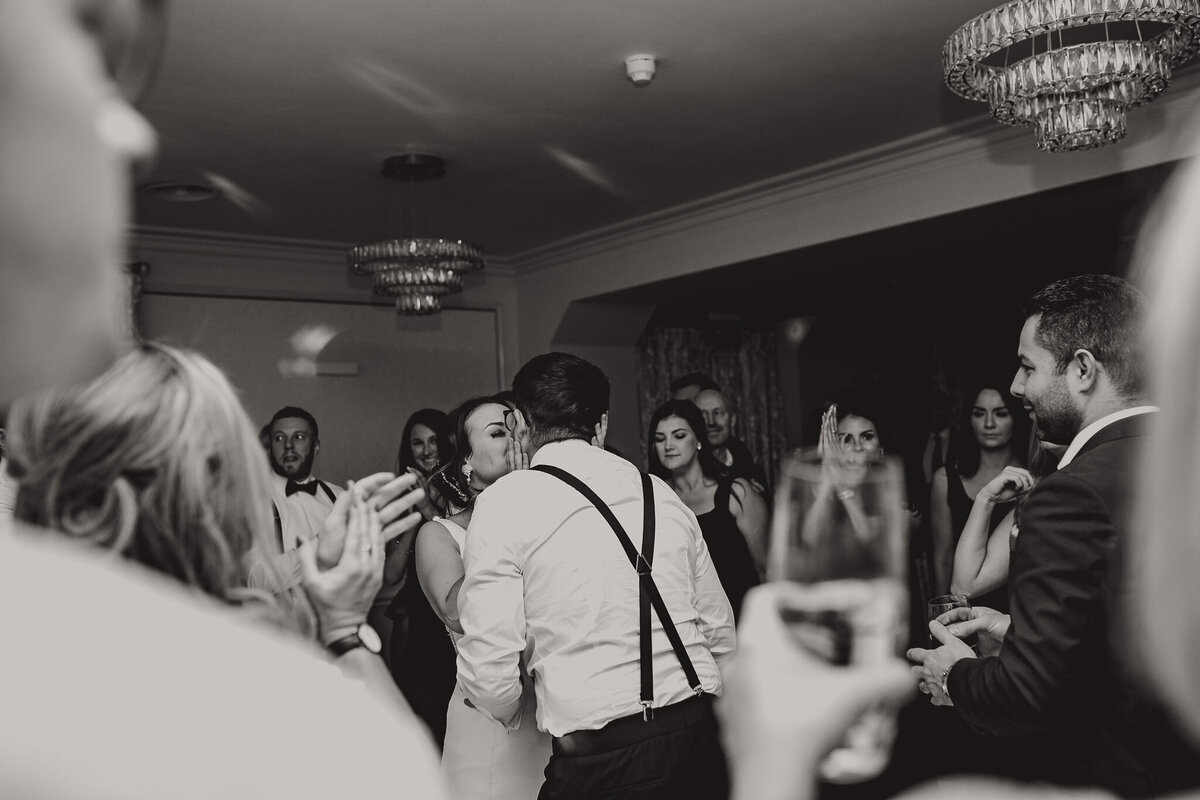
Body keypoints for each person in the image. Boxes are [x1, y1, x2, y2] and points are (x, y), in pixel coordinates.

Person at [0, 2, 445, 795]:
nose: (131, 136)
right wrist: (340, 633)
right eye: (55, 88)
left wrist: (316, 597)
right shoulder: (265, 717)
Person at [908, 274, 1200, 797]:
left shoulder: (1070, 494)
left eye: (1027, 367)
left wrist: (955, 677)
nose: (1017, 387)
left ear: (1083, 369)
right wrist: (1019, 627)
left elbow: (1029, 694)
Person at [457, 352, 736, 800]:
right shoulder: (659, 492)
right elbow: (720, 633)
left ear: (521, 424)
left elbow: (489, 671)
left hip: (600, 761)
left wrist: (514, 713)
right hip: (699, 740)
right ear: (601, 425)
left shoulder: (505, 502)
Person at [415, 395, 550, 799]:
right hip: (488, 722)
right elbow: (456, 612)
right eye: (496, 432)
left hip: (552, 713)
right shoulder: (439, 535)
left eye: (518, 427)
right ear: (465, 462)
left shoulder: (548, 519)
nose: (514, 439)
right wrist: (501, 511)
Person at [648, 399, 766, 620]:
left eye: (679, 435)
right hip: (690, 626)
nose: (668, 446)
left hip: (743, 618)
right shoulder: (656, 499)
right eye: (659, 439)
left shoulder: (736, 492)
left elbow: (766, 568)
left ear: (699, 440)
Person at [387, 406, 459, 747]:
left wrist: (429, 509)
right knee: (422, 718)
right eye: (417, 443)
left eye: (433, 441)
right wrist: (414, 513)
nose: (427, 450)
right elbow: (390, 576)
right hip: (416, 621)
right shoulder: (399, 499)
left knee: (453, 718)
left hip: (452, 616)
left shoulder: (465, 489)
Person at [928, 380, 1026, 603]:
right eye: (979, 413)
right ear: (968, 418)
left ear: (1016, 418)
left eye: (1000, 413)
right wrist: (943, 615)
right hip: (963, 602)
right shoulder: (946, 479)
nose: (989, 423)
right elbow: (942, 558)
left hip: (1015, 608)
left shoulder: (1031, 480)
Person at [257, 405, 343, 589]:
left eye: (299, 437)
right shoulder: (253, 501)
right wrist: (322, 542)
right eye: (279, 438)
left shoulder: (340, 497)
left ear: (316, 446)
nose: (288, 445)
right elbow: (257, 580)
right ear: (270, 447)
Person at [694, 387, 769, 493]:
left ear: (732, 420)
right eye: (703, 414)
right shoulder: (688, 470)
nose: (711, 422)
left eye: (717, 413)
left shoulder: (751, 471)